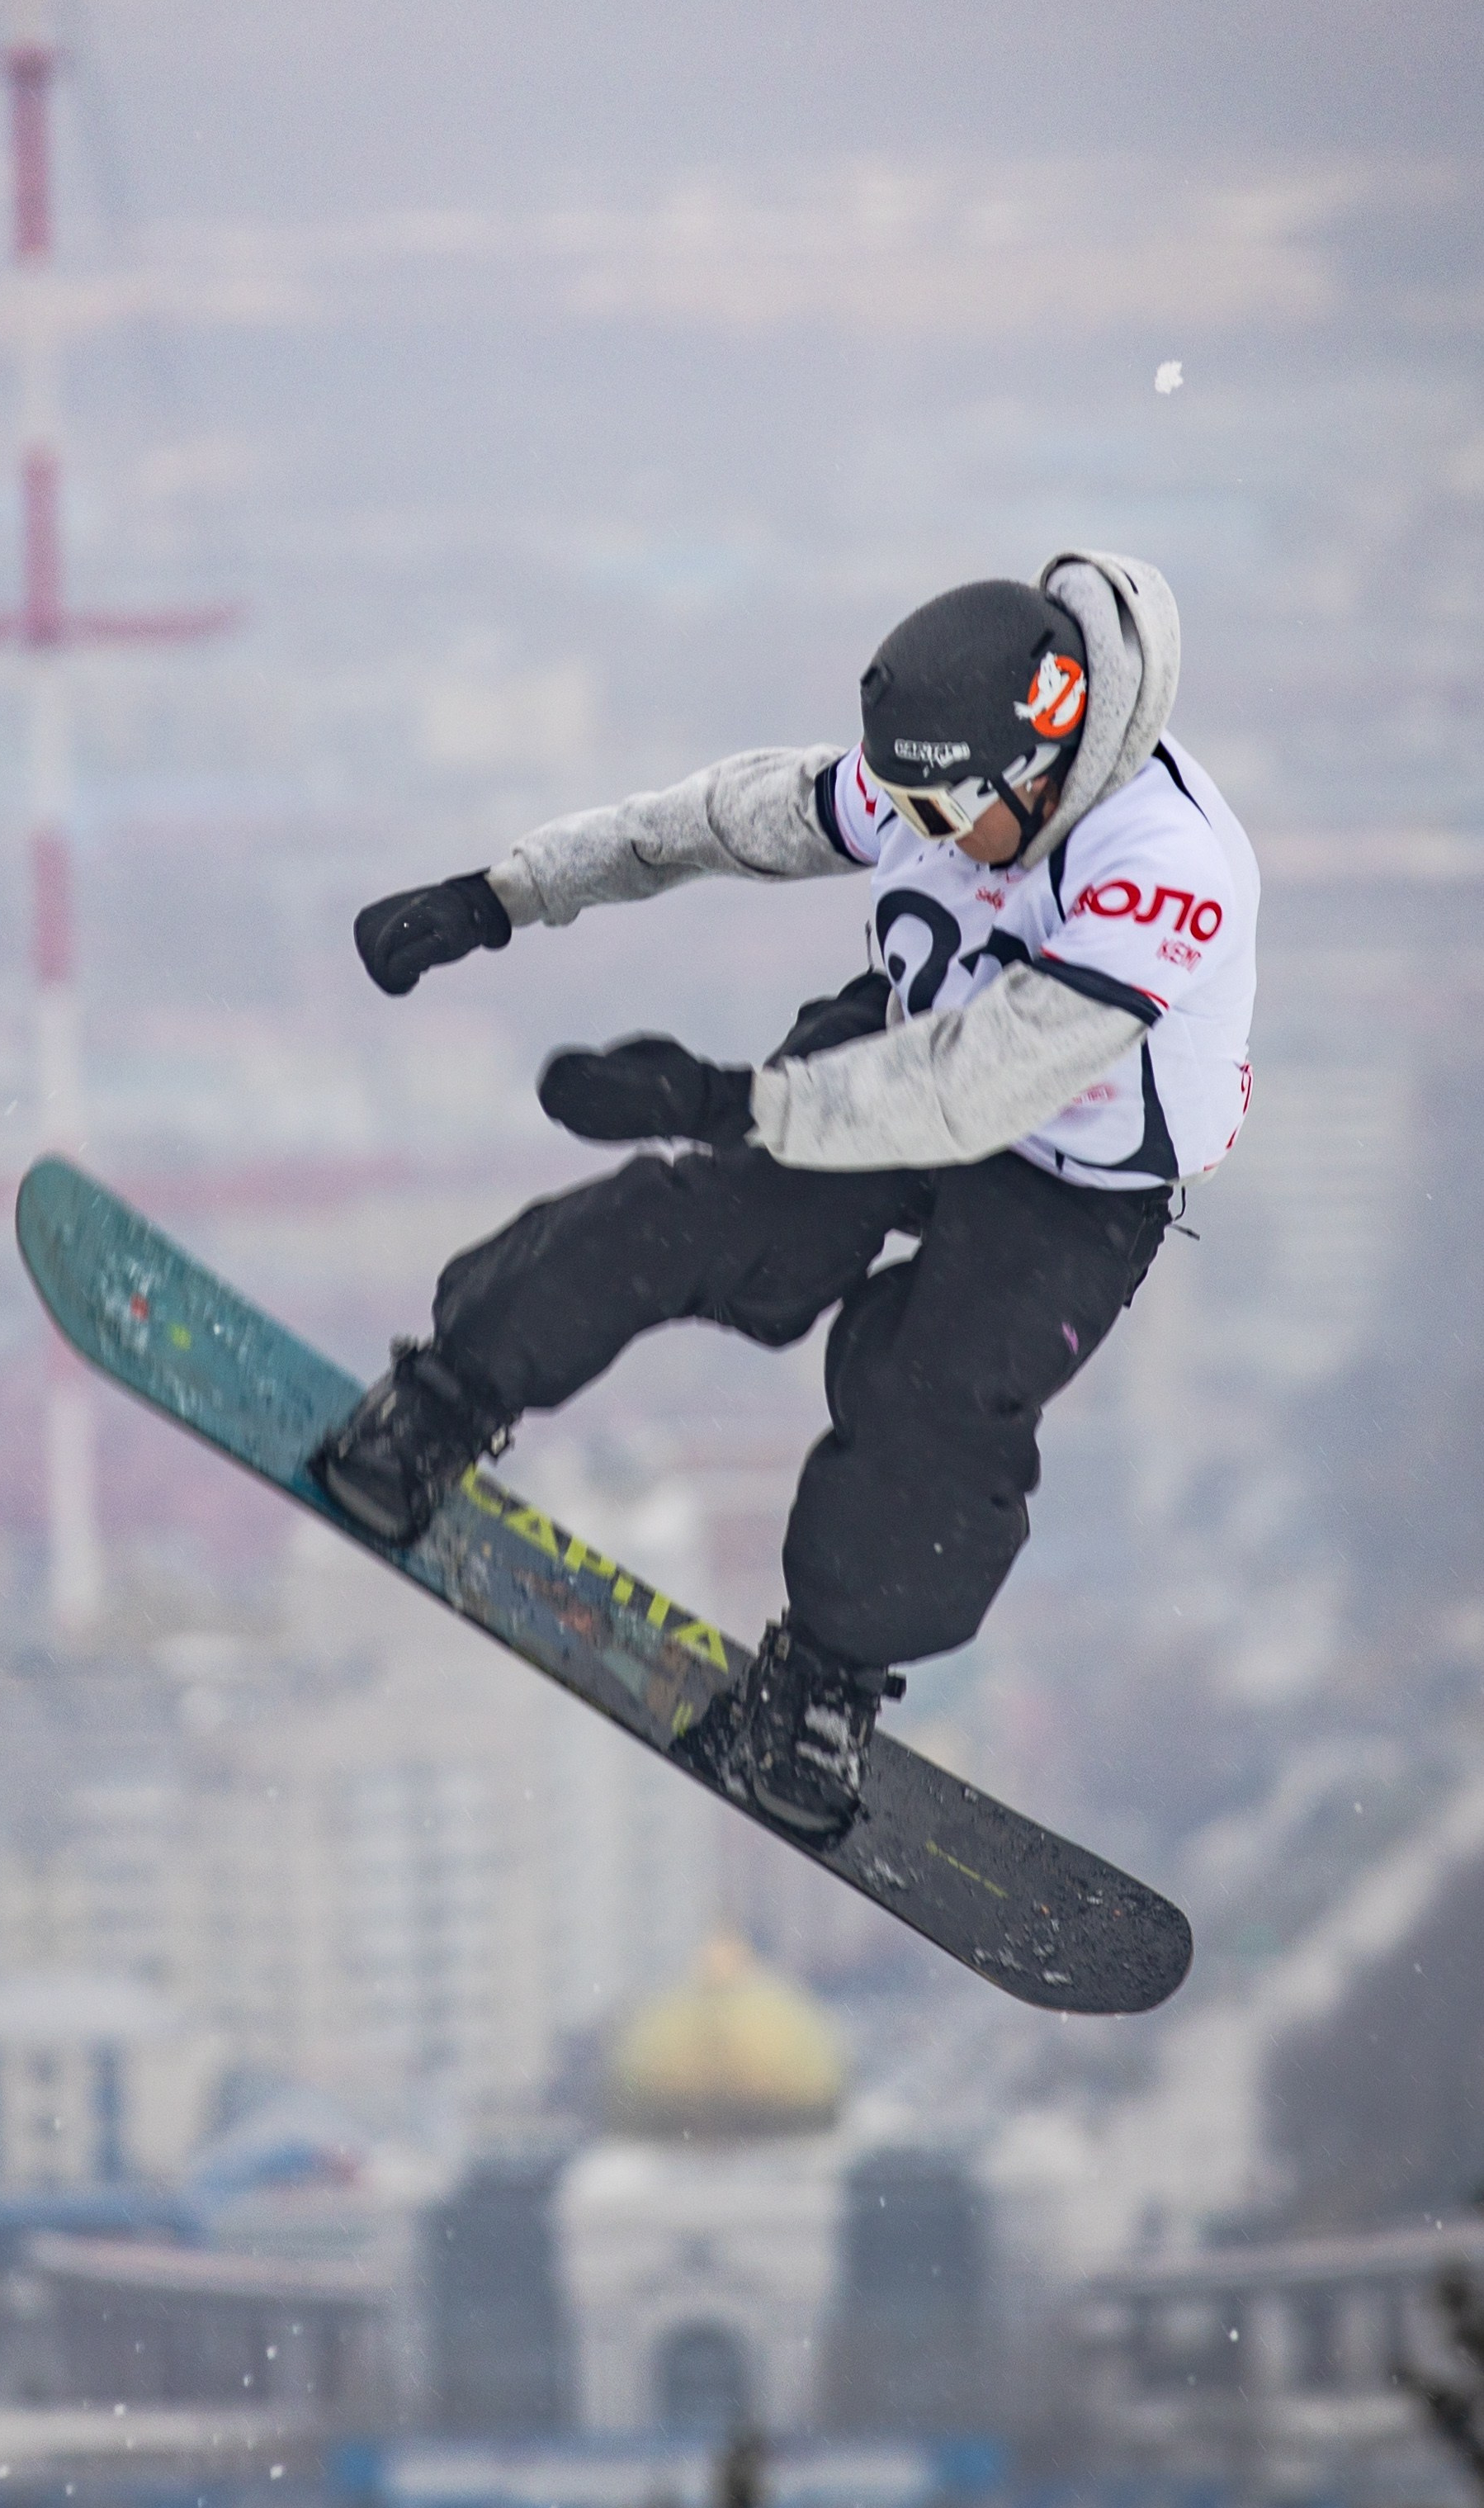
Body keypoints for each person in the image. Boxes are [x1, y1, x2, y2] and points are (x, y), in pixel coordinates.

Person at [311, 552, 1259, 1838]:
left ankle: (824, 1682)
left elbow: (975, 1091)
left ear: (1031, 776)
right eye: (902, 811)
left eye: (940, 818)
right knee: (702, 1218)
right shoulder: (947, 779)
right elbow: (716, 820)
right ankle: (442, 1401)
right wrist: (505, 894)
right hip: (915, 1036)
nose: (916, 837)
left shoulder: (1168, 872)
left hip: (1075, 1172)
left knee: (937, 1389)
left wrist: (728, 1097)